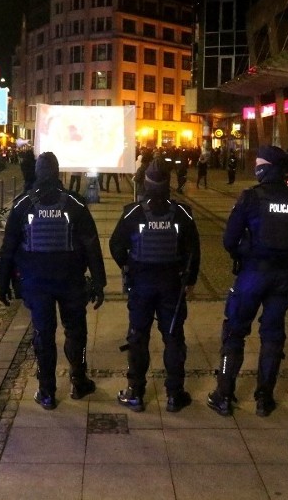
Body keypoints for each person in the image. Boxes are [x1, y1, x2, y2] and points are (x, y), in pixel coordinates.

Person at [207, 145, 288, 417]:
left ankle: (224, 394)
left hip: (253, 274)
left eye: (258, 163)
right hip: (283, 278)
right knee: (272, 335)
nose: (255, 167)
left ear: (267, 167)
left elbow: (229, 239)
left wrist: (244, 251)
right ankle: (264, 398)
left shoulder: (251, 198)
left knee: (234, 331)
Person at [0, 152, 107, 410]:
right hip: (71, 281)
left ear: (36, 172)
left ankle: (46, 391)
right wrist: (99, 282)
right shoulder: (75, 204)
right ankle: (79, 381)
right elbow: (91, 245)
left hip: (36, 282)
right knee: (76, 333)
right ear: (57, 173)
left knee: (43, 336)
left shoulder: (23, 204)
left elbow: (9, 246)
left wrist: (3, 283)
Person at [110, 159, 201, 413]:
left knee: (138, 338)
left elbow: (115, 245)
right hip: (172, 285)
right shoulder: (182, 213)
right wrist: (190, 281)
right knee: (173, 337)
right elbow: (193, 250)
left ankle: (136, 393)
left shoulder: (133, 212)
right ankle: (174, 394)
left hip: (141, 285)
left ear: (146, 183)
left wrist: (128, 266)